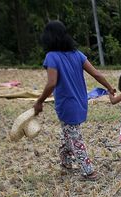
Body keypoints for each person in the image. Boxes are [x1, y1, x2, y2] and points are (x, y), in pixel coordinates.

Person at [33, 21, 115, 180]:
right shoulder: (77, 54)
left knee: (74, 137)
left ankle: (89, 171)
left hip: (66, 105)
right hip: (80, 102)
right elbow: (96, 74)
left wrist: (40, 101)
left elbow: (51, 83)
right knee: (67, 134)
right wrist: (109, 87)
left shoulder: (51, 57)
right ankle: (66, 163)